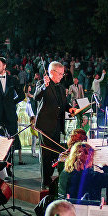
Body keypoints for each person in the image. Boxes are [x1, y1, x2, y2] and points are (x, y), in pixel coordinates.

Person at [33, 61, 74, 189]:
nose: (62, 76)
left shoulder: (61, 87)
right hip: (45, 126)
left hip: (57, 125)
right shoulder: (42, 83)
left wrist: (71, 109)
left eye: (63, 73)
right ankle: (45, 181)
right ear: (52, 72)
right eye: (60, 73)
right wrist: (44, 86)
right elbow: (36, 96)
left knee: (56, 153)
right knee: (46, 153)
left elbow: (64, 104)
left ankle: (52, 178)